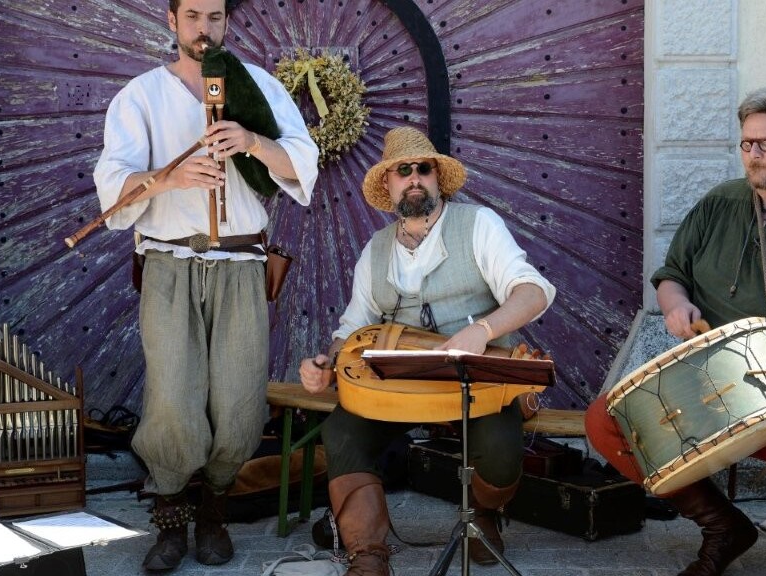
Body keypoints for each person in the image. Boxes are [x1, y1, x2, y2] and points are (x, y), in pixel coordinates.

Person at [585, 86, 766, 576]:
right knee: (607, 420)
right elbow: (673, 274)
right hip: (709, 380)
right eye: (747, 143)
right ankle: (723, 527)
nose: (754, 154)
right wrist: (677, 304)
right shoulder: (718, 204)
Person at [92, 0, 318, 571]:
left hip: (242, 263)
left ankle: (214, 507)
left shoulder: (257, 86)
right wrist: (169, 176)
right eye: (192, 15)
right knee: (172, 400)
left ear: (226, 21)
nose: (204, 28)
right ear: (172, 21)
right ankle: (170, 514)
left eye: (215, 16)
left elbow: (301, 165)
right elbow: (114, 189)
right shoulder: (140, 96)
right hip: (170, 263)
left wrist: (251, 141)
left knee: (240, 402)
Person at [299, 126, 555, 575]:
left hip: (475, 381)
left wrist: (484, 329)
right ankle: (368, 555)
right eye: (403, 170)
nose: (414, 177)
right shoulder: (375, 250)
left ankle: (485, 515)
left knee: (499, 447)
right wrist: (328, 361)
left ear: (437, 179)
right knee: (341, 430)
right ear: (389, 185)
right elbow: (353, 327)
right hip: (397, 387)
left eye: (424, 168)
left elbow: (533, 292)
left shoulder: (478, 225)